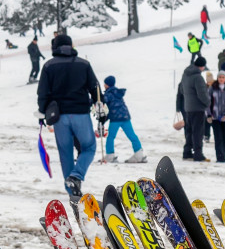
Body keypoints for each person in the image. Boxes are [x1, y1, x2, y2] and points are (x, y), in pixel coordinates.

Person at [37, 35, 100, 198]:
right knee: (89, 147)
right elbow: (95, 88)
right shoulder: (83, 64)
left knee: (65, 152)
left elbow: (42, 92)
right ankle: (76, 176)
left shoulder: (48, 66)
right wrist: (99, 104)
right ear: (70, 46)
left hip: (59, 117)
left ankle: (72, 192)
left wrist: (42, 112)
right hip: (80, 114)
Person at [101, 76, 145, 163]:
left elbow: (102, 101)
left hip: (116, 119)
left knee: (110, 137)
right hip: (125, 117)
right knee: (132, 135)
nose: (104, 85)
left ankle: (110, 155)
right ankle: (139, 154)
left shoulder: (109, 94)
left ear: (107, 85)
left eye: (105, 83)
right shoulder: (118, 92)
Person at [176, 56, 210, 162]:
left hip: (188, 107)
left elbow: (181, 89)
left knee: (189, 131)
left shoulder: (185, 74)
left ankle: (187, 152)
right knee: (198, 132)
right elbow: (202, 94)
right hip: (198, 108)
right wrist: (208, 103)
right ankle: (198, 154)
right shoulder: (198, 77)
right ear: (202, 66)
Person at [207, 72, 225, 162]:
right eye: (220, 77)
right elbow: (207, 103)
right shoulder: (212, 88)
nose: (221, 79)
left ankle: (223, 153)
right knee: (218, 137)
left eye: (223, 77)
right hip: (215, 117)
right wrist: (208, 114)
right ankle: (220, 157)